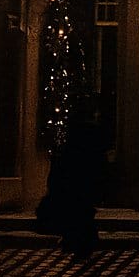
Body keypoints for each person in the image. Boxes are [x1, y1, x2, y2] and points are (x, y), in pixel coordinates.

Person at [37, 96, 111, 262]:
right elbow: (99, 157)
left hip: (77, 178)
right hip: (84, 178)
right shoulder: (91, 132)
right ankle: (81, 242)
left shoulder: (75, 132)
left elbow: (66, 157)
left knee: (79, 210)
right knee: (82, 210)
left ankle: (79, 242)